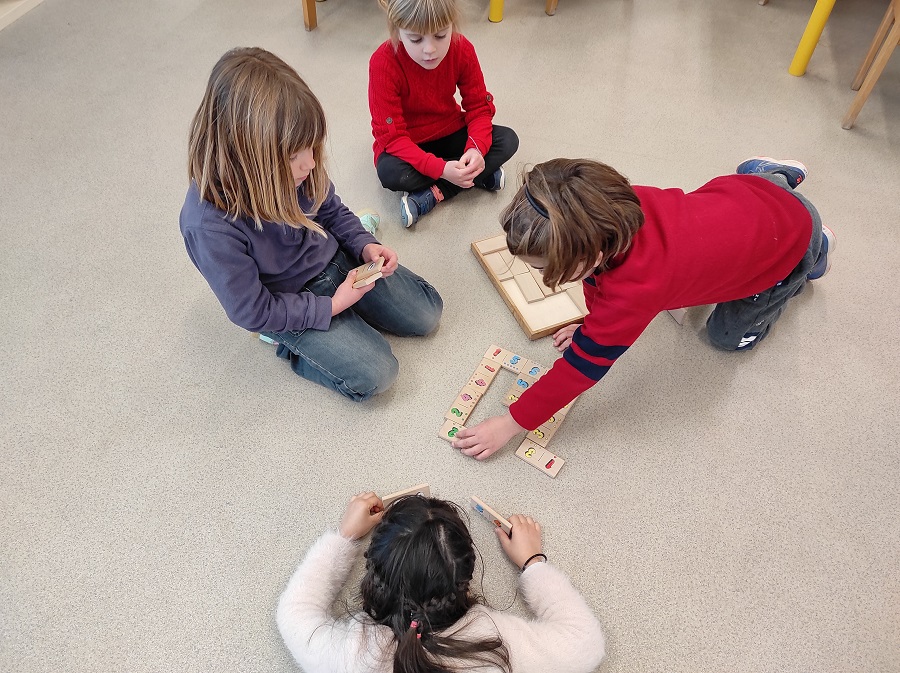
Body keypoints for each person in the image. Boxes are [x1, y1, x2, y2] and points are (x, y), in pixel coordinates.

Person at [452, 157, 836, 459]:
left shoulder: (635, 290)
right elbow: (597, 282)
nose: (541, 274)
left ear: (594, 257)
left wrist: (511, 423)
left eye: (544, 268)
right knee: (746, 207)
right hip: (752, 193)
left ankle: (817, 251)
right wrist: (590, 326)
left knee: (726, 338)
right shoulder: (614, 206)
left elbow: (581, 369)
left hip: (791, 239)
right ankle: (775, 175)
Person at [180, 48, 443, 402]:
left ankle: (357, 259)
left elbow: (330, 209)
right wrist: (331, 307)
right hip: (288, 300)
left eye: (312, 148)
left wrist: (363, 243)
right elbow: (253, 310)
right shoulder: (208, 226)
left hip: (334, 258)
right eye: (294, 156)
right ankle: (288, 345)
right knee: (378, 374)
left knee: (428, 313)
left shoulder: (298, 166)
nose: (311, 164)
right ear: (247, 157)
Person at [277, 492, 605, 673]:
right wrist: (533, 563)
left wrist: (344, 536)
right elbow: (585, 644)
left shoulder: (350, 655)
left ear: (374, 571)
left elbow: (294, 613)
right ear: (465, 579)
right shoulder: (494, 645)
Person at [369, 0, 519, 227]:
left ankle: (437, 192)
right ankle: (478, 176)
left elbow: (478, 108)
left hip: (448, 129)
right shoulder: (382, 62)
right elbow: (392, 138)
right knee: (390, 173)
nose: (430, 49)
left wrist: (475, 149)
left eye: (440, 35)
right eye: (416, 39)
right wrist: (442, 169)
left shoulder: (462, 48)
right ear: (397, 31)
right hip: (407, 143)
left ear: (452, 25)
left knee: (507, 140)